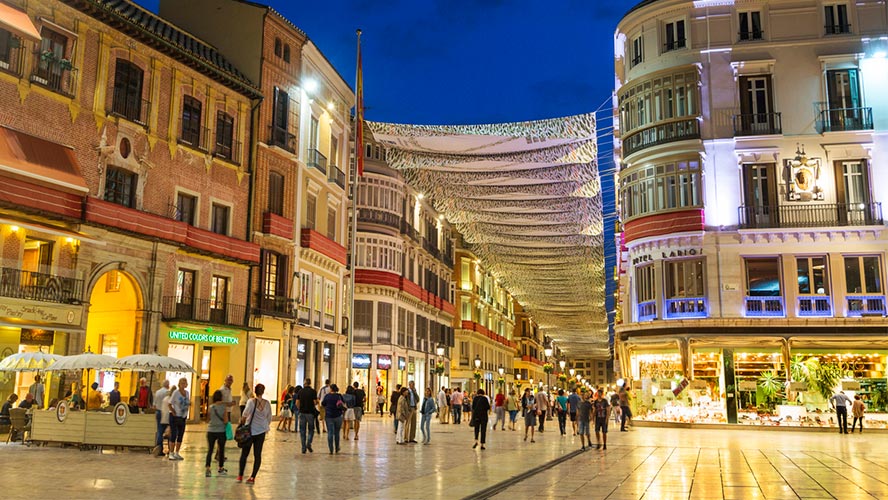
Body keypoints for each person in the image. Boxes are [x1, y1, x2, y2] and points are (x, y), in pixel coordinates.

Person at [238, 383, 271, 484]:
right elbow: (269, 418)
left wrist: (242, 423)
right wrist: (263, 425)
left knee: (244, 454)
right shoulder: (267, 403)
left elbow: (244, 415)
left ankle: (240, 475)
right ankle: (253, 477)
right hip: (261, 432)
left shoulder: (251, 402)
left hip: (250, 431)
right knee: (257, 454)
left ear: (255, 391)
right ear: (263, 391)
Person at [205, 390, 229, 477]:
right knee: (221, 450)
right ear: (221, 397)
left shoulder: (211, 407)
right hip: (221, 431)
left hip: (211, 431)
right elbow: (226, 420)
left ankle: (208, 468)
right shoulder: (223, 407)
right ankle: (221, 468)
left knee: (210, 450)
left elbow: (207, 420)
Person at [168, 377, 191, 460]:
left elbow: (188, 402)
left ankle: (177, 452)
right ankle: (171, 452)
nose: (184, 384)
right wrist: (173, 412)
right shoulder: (176, 393)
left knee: (181, 434)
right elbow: (169, 403)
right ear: (179, 384)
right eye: (182, 383)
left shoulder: (187, 393)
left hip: (183, 416)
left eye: (185, 383)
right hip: (175, 416)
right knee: (174, 434)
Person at [320, 384, 345, 454]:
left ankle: (331, 449)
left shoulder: (327, 396)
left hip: (329, 416)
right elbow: (343, 403)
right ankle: (337, 448)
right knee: (337, 433)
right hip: (338, 416)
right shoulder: (339, 396)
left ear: (331, 389)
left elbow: (323, 404)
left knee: (330, 433)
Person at [295, 378, 318, 454]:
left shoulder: (300, 391)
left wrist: (300, 408)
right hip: (310, 413)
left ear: (304, 383)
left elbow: (297, 402)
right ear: (310, 383)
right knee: (311, 429)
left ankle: (303, 447)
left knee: (302, 430)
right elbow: (315, 402)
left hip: (302, 413)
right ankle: (309, 442)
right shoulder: (313, 391)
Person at [153, 380, 170, 456]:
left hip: (158, 412)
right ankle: (170, 449)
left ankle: (159, 449)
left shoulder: (157, 392)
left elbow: (154, 405)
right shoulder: (168, 392)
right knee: (169, 431)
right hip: (166, 413)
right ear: (168, 385)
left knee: (160, 431)